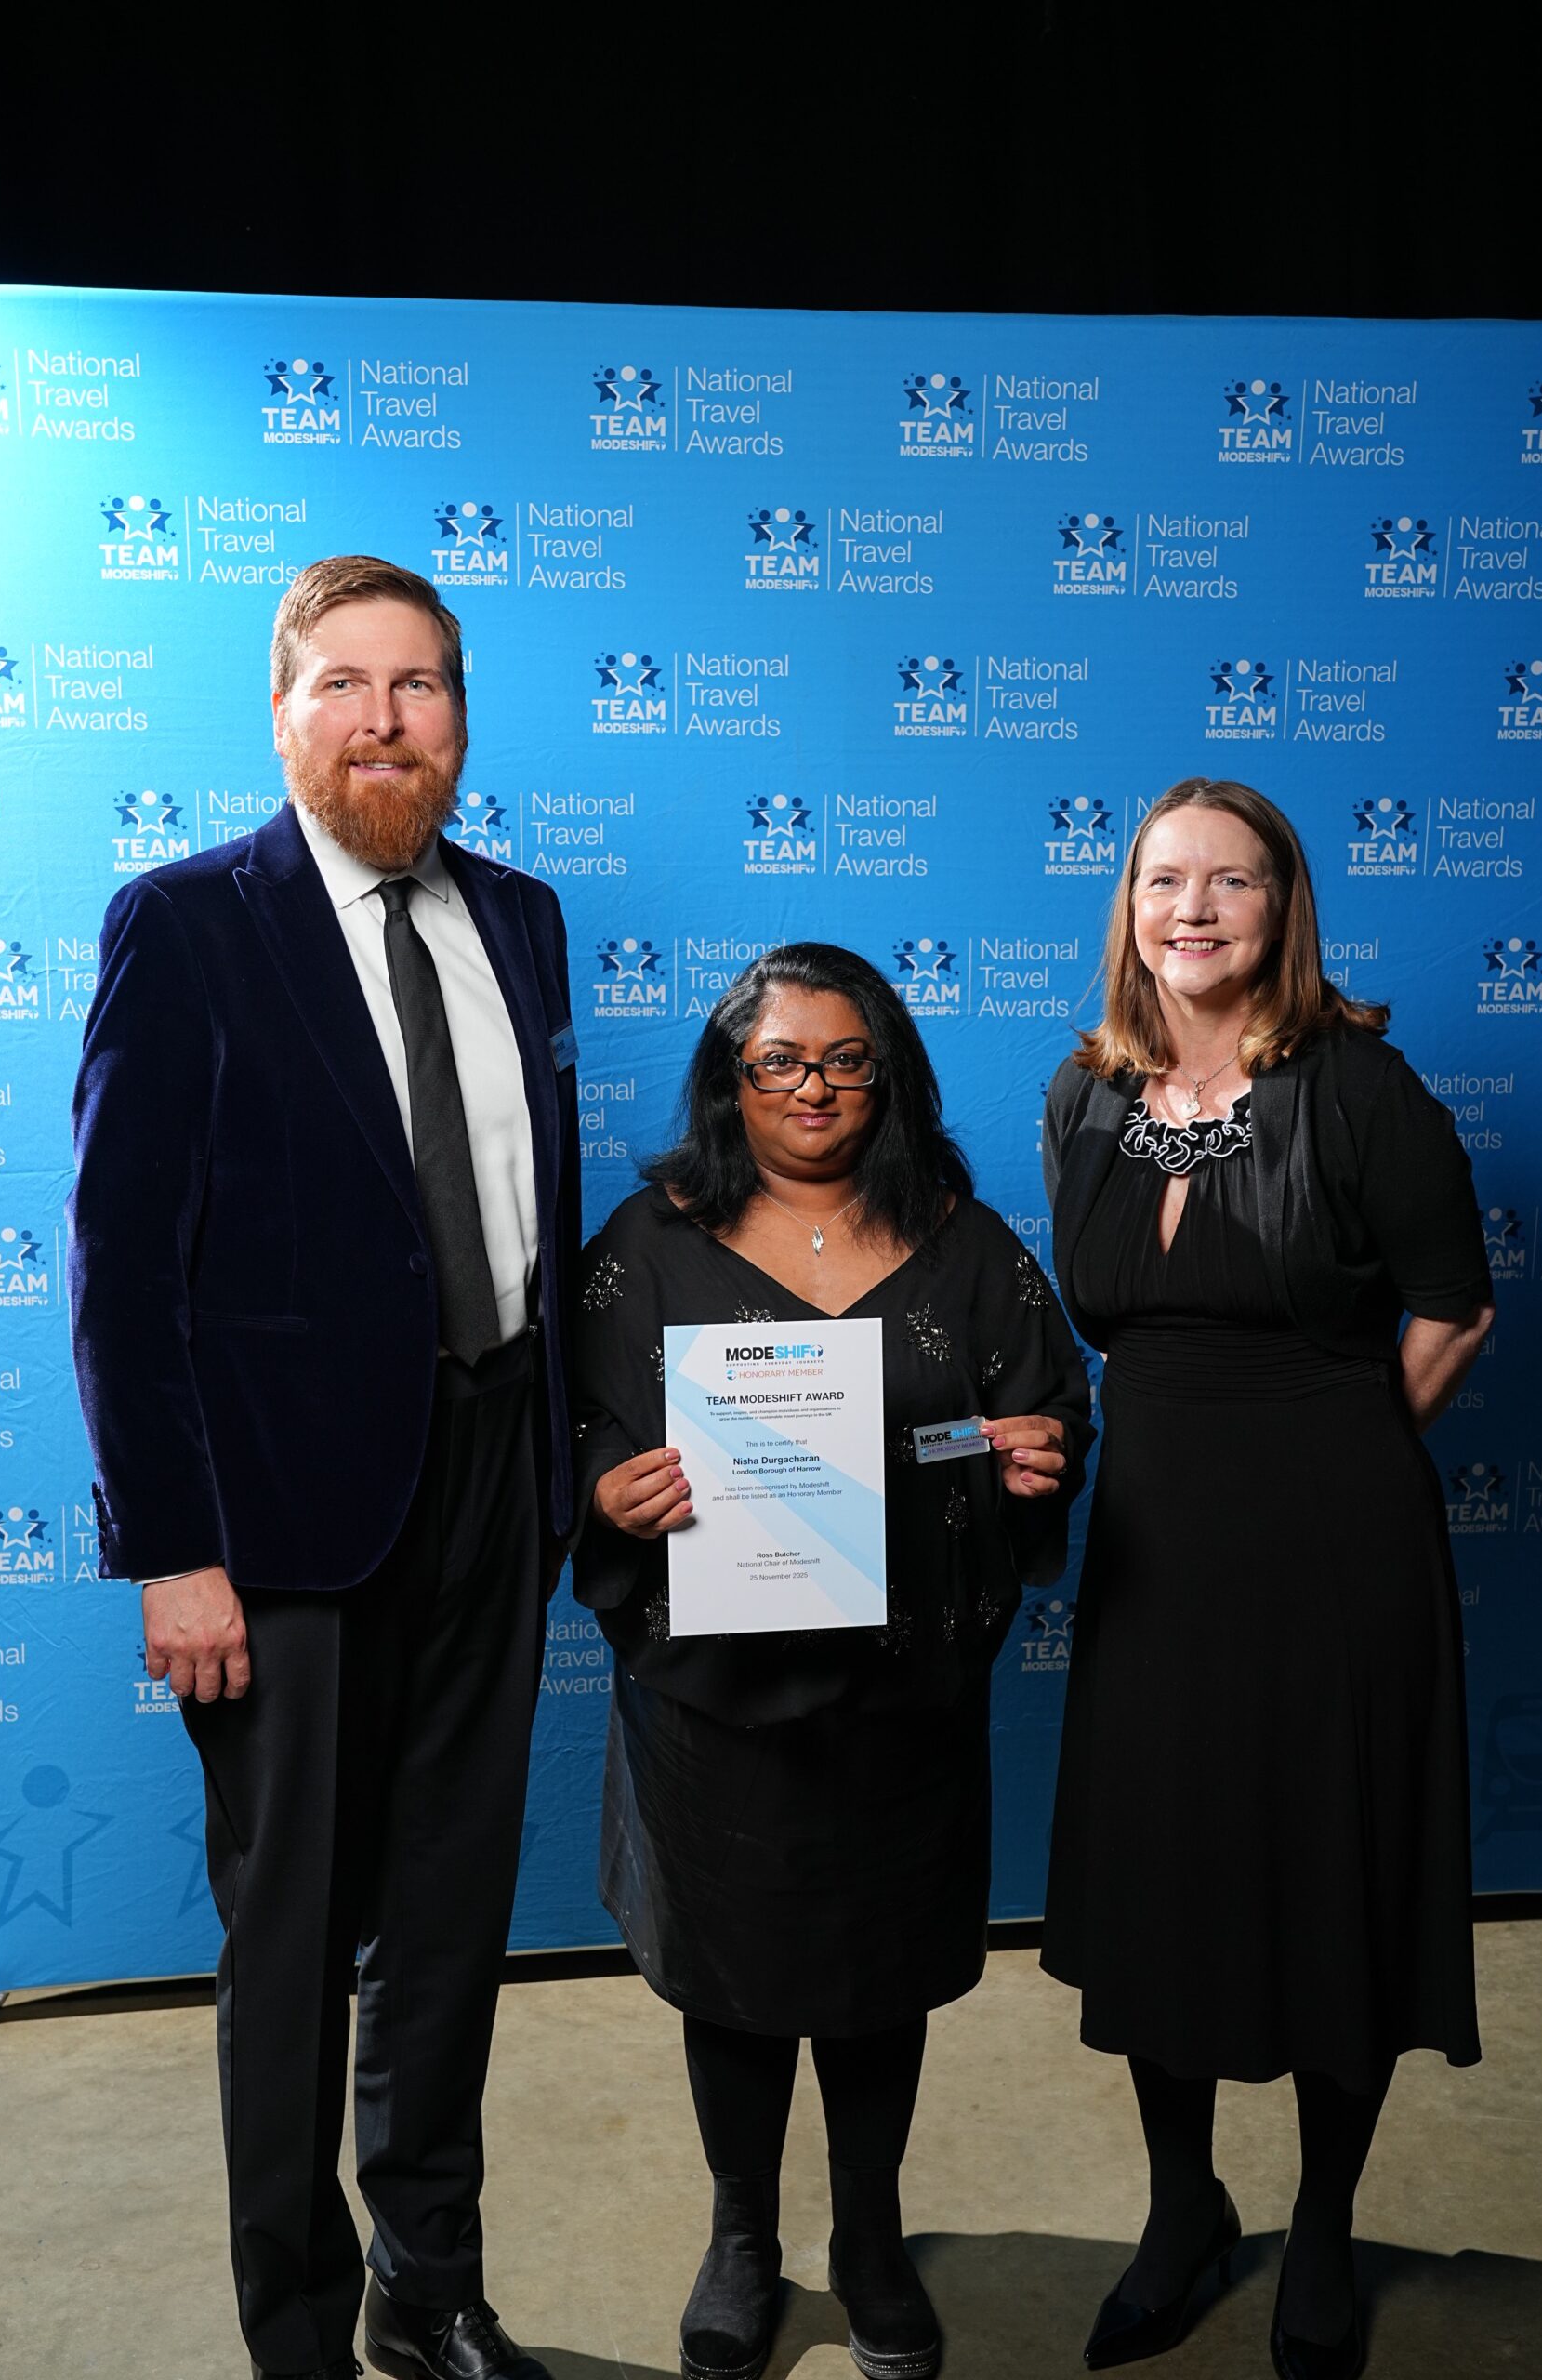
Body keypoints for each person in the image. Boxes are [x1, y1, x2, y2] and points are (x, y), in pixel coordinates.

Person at [69, 556, 580, 2380]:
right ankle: (292, 2321)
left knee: (450, 1915)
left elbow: (535, 1217)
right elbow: (123, 1271)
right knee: (291, 1934)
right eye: (345, 684)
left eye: (420, 685)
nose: (384, 718)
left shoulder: (520, 918)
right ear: (280, 711)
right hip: (278, 1519)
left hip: (495, 1468)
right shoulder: (187, 924)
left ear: (460, 715)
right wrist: (171, 1548)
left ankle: (427, 2285)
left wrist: (570, 1468)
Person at [572, 943, 1093, 2380]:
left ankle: (869, 2238)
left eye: (848, 1059)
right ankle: (744, 2237)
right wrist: (610, 1491)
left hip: (902, 1696)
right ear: (730, 1081)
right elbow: (579, 1427)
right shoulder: (645, 1241)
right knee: (729, 1980)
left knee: (881, 1980)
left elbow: (1005, 1418)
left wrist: (1034, 1454)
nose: (816, 1088)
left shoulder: (964, 1240)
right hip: (712, 1706)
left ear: (893, 1073)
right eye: (779, 1061)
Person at [1039, 778, 1493, 2380]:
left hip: (1335, 1557)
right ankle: (1183, 2214)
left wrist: (1342, 1449)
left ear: (1284, 907)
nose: (1196, 910)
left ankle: (1317, 2235)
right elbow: (1108, 1325)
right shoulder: (1082, 1097)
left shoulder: (1363, 1089)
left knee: (1330, 1883)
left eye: (1234, 882)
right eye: (1167, 880)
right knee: (1164, 1882)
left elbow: (1453, 1305)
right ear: (1131, 905)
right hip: (1156, 1555)